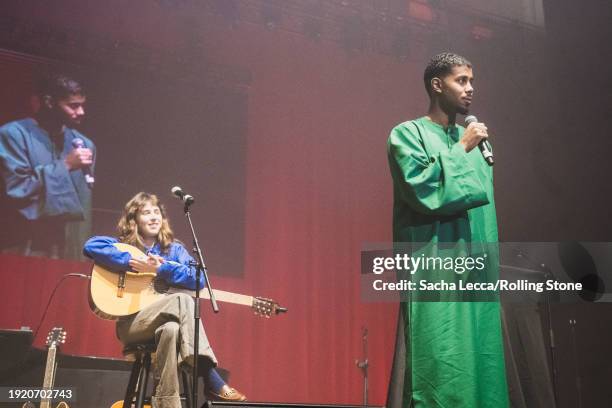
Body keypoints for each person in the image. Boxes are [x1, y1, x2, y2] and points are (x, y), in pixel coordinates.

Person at [386, 53, 508, 407]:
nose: (470, 89)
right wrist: (461, 148)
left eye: (472, 81)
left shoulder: (472, 141)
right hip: (436, 266)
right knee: (441, 358)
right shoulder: (407, 134)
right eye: (461, 80)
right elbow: (422, 189)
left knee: (483, 359)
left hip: (476, 267)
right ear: (437, 85)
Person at [83, 192, 246, 407]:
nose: (153, 217)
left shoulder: (174, 249)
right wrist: (133, 261)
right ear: (134, 219)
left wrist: (161, 268)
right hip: (132, 324)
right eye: (146, 213)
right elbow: (90, 246)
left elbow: (197, 280)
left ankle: (168, 403)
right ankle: (210, 378)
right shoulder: (121, 244)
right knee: (184, 301)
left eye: (156, 212)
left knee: (171, 329)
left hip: (163, 325)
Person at [0, 72, 95, 259]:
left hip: (66, 249)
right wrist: (65, 165)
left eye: (83, 105)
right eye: (73, 106)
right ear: (49, 102)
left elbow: (84, 204)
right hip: (21, 246)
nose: (81, 112)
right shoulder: (13, 135)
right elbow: (16, 189)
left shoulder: (84, 144)